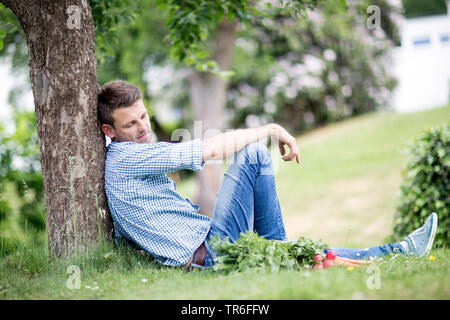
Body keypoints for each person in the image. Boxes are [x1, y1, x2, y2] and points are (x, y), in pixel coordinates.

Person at [98, 80, 439, 270]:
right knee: (254, 153)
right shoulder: (126, 158)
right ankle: (283, 255)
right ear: (108, 131)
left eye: (144, 116)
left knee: (298, 251)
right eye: (131, 123)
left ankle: (398, 250)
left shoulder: (130, 156)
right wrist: (273, 128)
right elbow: (211, 150)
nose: (144, 128)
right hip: (210, 255)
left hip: (208, 245)